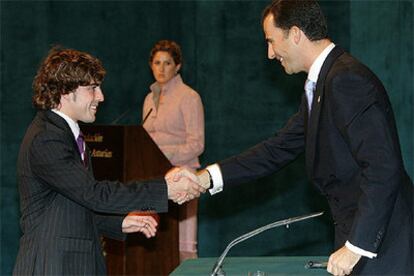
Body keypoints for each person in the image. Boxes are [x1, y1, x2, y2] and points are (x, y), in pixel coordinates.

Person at [186, 0, 413, 275]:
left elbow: (383, 167)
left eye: (271, 41)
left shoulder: (345, 80)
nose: (270, 54)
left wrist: (357, 246)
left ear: (295, 34)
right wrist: (206, 177)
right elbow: (277, 149)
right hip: (356, 235)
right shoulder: (321, 83)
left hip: (381, 244)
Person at [13, 47, 203, 275]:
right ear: (65, 90)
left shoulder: (62, 133)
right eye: (93, 88)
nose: (101, 97)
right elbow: (93, 194)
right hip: (53, 265)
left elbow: (72, 204)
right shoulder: (47, 138)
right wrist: (165, 189)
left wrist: (118, 222)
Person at [142, 40, 205, 261]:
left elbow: (197, 144)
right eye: (157, 63)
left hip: (184, 178)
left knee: (184, 247)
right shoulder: (149, 99)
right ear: (151, 65)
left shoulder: (189, 97)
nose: (161, 68)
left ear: (177, 66)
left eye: (167, 63)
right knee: (155, 244)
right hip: (155, 178)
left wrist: (161, 153)